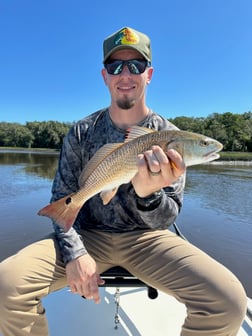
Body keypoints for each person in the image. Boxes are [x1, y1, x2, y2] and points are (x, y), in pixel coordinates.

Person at [0, 26, 247, 336]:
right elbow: (65, 196)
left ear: (149, 74)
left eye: (136, 65)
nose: (126, 74)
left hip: (148, 240)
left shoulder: (170, 136)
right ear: (105, 76)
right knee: (6, 285)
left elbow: (169, 216)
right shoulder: (82, 132)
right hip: (89, 236)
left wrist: (149, 195)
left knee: (229, 301)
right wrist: (75, 254)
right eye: (115, 66)